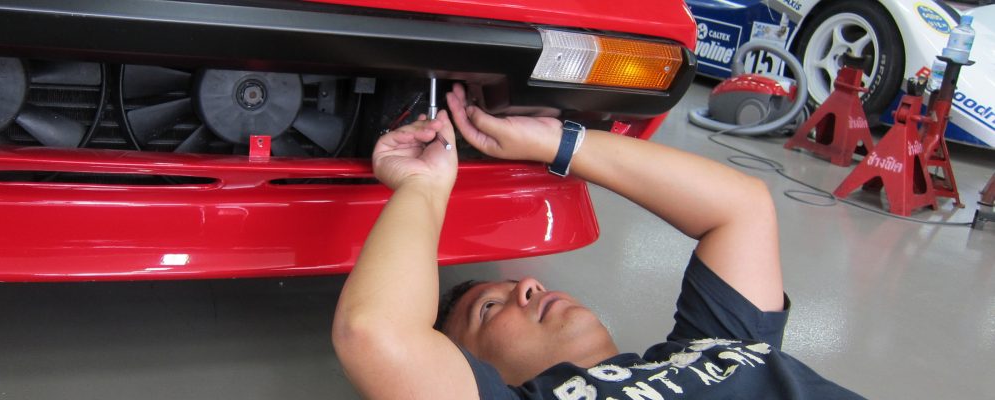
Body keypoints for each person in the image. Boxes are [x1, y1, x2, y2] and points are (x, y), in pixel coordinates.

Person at [332, 83, 862, 399]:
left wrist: (556, 143)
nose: (530, 286)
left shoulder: (713, 342)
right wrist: (422, 185)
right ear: (473, 372)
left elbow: (741, 208)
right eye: (488, 309)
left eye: (517, 287)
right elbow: (376, 333)